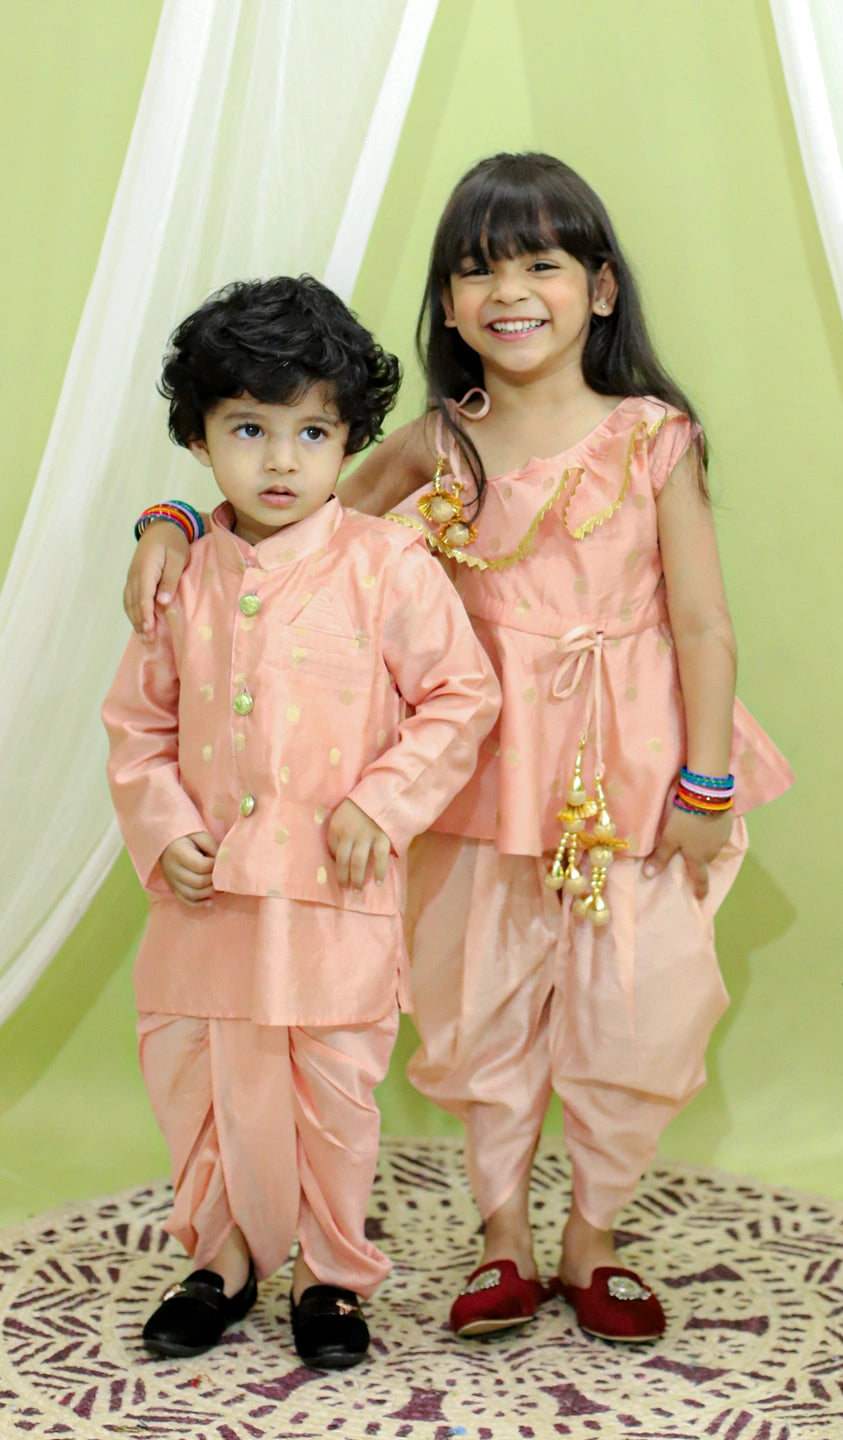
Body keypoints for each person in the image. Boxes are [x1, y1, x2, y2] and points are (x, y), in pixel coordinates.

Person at [124, 154, 794, 1345]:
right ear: (445, 302)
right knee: (480, 1005)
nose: (510, 291)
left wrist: (706, 780)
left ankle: (593, 1236)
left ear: (600, 287)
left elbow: (703, 621)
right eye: (478, 269)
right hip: (484, 771)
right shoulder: (442, 441)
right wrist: (174, 518)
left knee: (639, 1003)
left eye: (542, 263)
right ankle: (503, 1237)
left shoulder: (654, 437)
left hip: (632, 764)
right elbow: (299, 509)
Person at [103, 275, 499, 1368]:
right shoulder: (178, 576)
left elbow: (462, 698)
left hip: (336, 899)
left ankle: (330, 1276)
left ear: (348, 439)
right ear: (198, 439)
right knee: (200, 1082)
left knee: (331, 1094)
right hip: (205, 901)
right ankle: (222, 1262)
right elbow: (136, 723)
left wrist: (383, 800)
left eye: (312, 433)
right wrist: (161, 828)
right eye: (249, 430)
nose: (281, 461)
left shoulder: (387, 566)